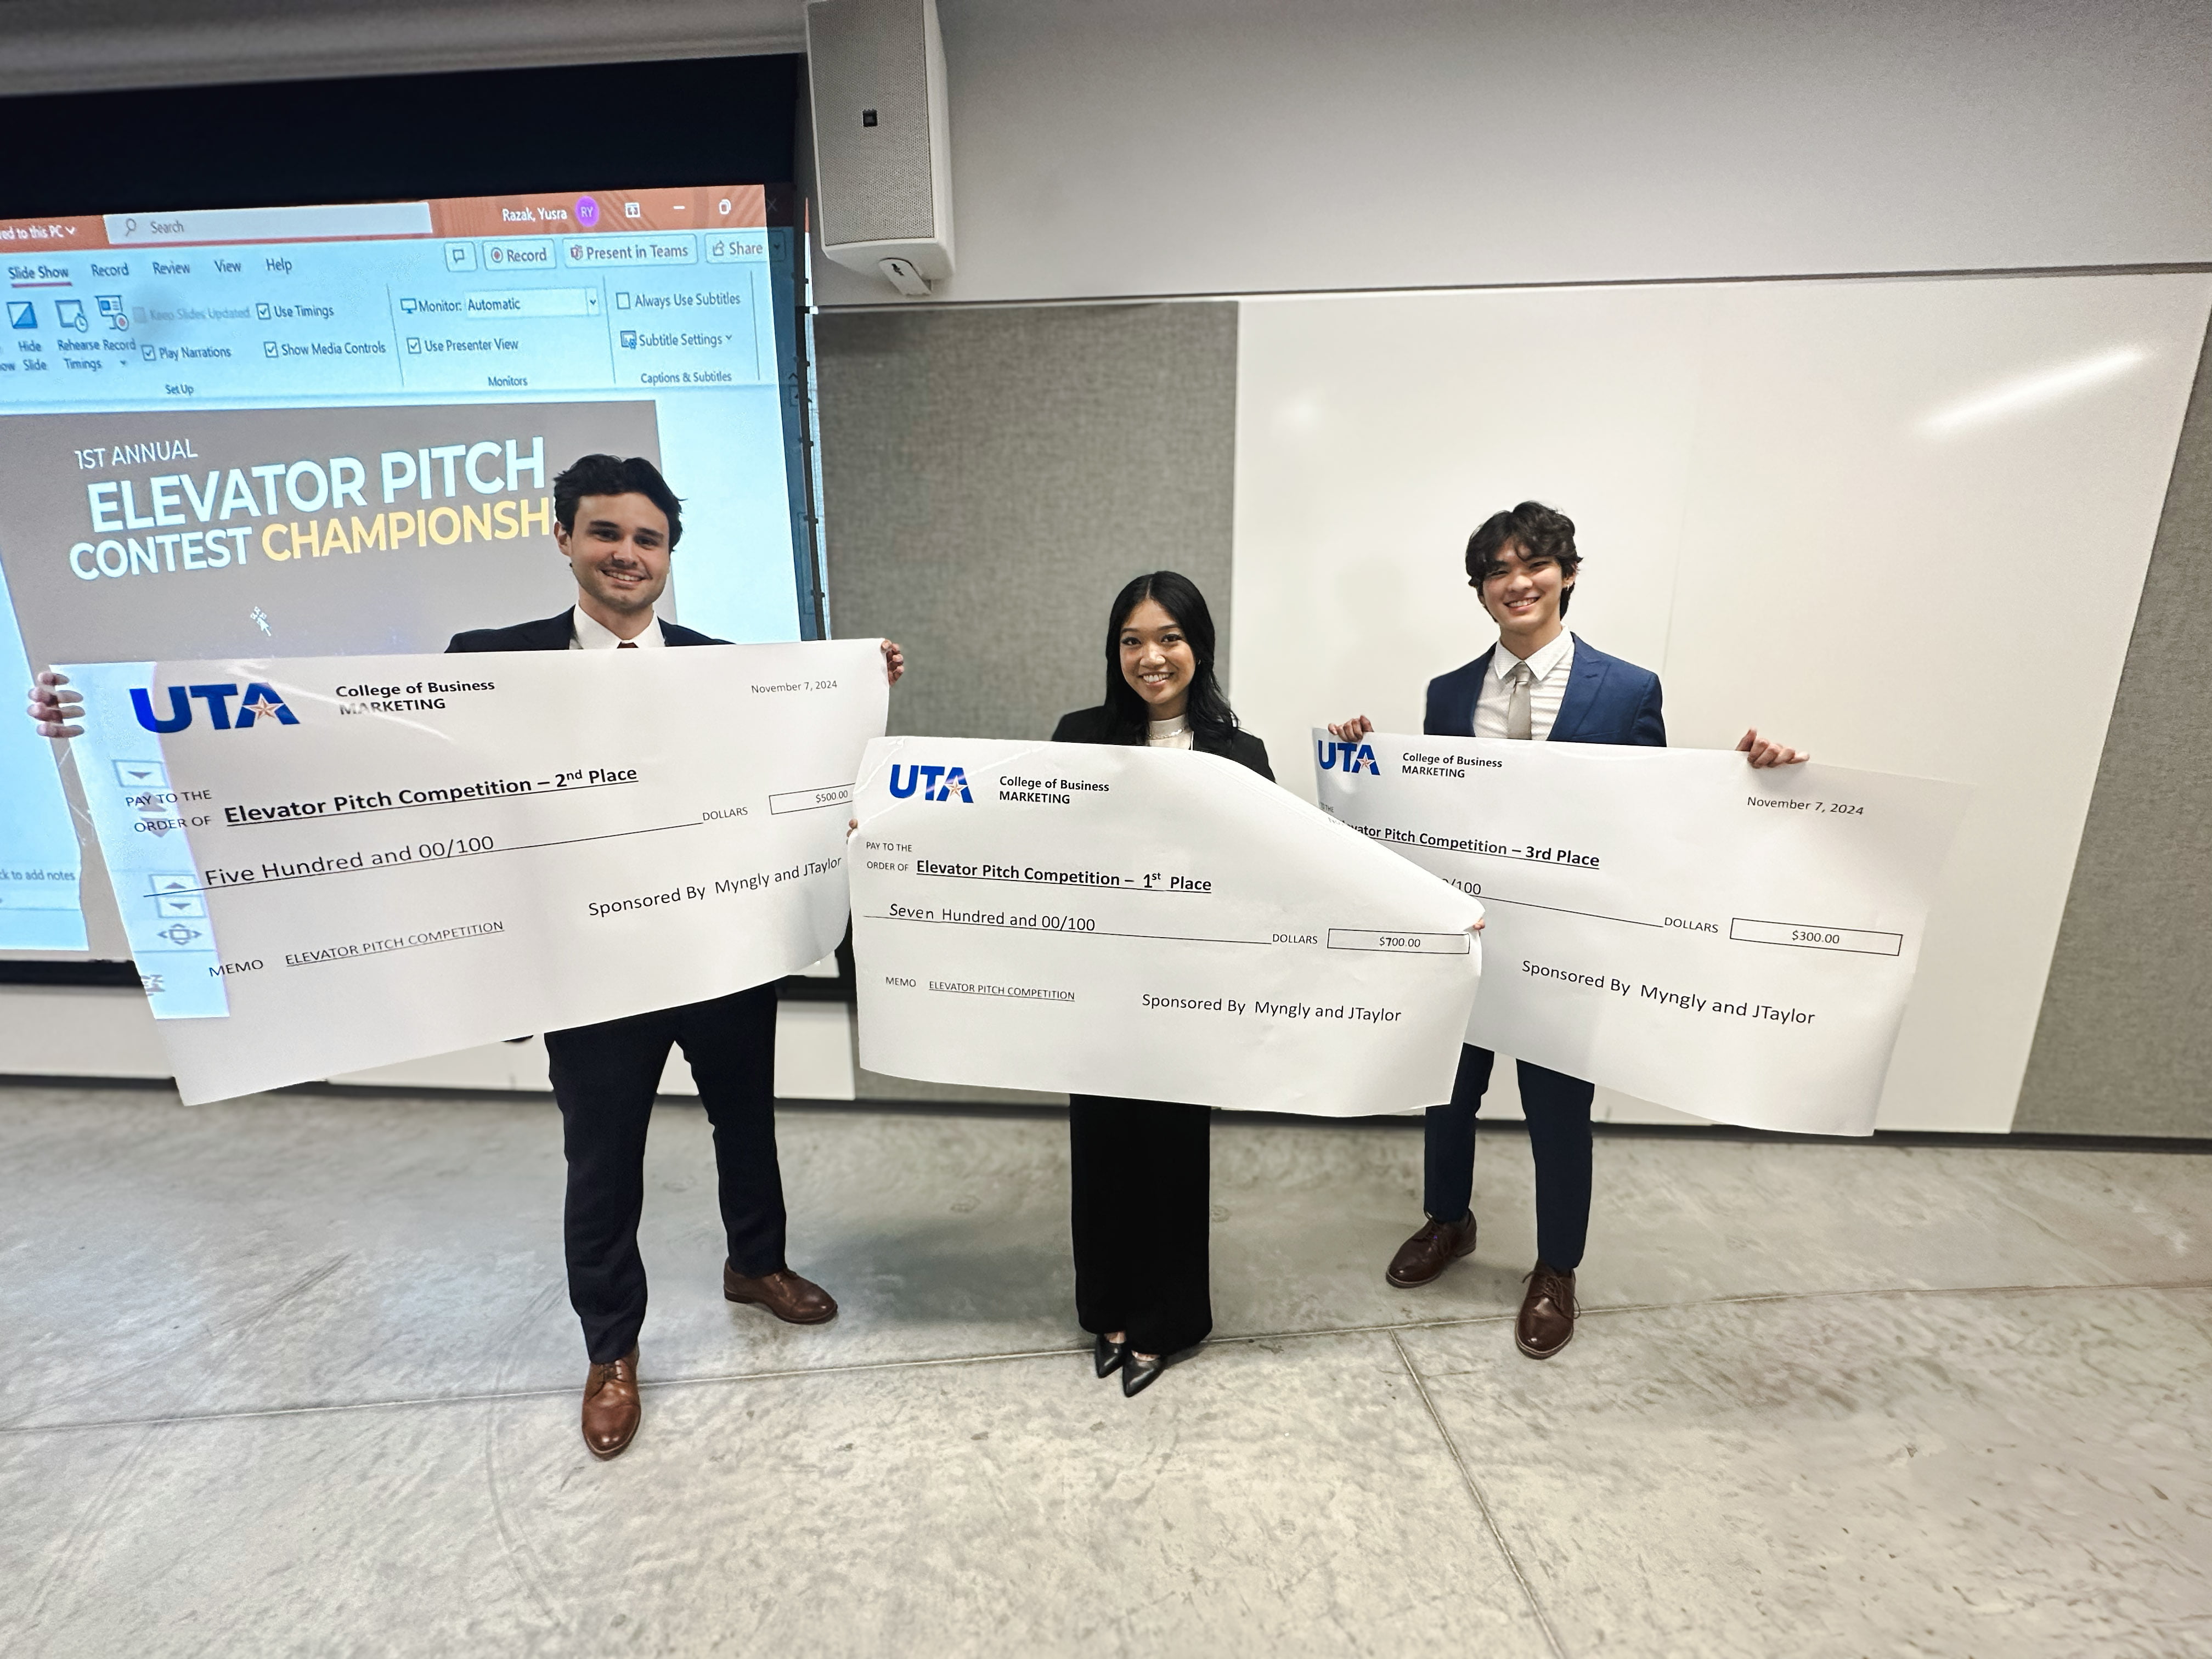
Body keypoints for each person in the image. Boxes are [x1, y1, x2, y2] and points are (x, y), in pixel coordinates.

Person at [29, 452, 906, 1460]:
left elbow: (793, 776)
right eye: (606, 533)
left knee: (746, 1124)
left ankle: (757, 1264)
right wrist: (112, 725)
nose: (627, 554)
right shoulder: (487, 660)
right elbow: (343, 737)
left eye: (647, 538)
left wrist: (851, 690)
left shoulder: (722, 661)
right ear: (565, 538)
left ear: (671, 553)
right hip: (587, 969)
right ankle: (611, 1349)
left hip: (720, 957)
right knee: (603, 1161)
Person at [1328, 501, 1803, 1361]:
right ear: (1480, 592)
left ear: (1568, 574)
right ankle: (1448, 1220)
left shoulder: (1627, 692)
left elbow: (1661, 817)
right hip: (1467, 936)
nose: (1517, 582)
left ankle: (1556, 1269)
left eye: (1533, 565)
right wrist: (1362, 760)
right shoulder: (1446, 694)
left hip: (1567, 950)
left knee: (1557, 1111)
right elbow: (1428, 811)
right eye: (1497, 572)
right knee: (1449, 1092)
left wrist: (1753, 777)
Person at [1049, 571, 1272, 1397]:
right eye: (1133, 641)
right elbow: (1023, 837)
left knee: (1173, 1159)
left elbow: (1281, 868)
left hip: (1190, 994)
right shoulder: (1078, 738)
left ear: (1199, 648)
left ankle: (1168, 1320)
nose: (1152, 657)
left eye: (1170, 638)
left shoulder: (1240, 756)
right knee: (1101, 1152)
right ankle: (1108, 1307)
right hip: (1099, 986)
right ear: (1115, 652)